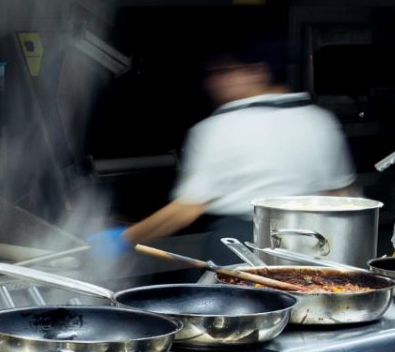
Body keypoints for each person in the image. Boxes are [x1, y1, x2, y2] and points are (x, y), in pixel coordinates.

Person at [88, 42, 357, 261]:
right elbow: (341, 197)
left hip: (240, 246)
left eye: (225, 71)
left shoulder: (218, 128)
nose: (213, 82)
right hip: (311, 247)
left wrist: (122, 239)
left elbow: (185, 210)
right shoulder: (320, 120)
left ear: (258, 71)